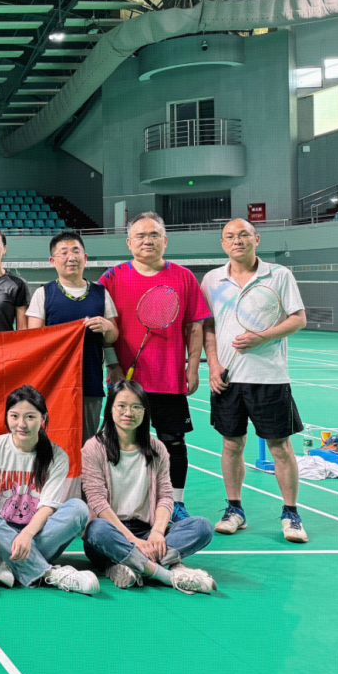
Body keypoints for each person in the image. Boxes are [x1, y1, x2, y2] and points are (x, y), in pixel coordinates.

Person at [201, 219, 309, 543]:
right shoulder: (211, 280)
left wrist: (263, 337)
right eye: (230, 236)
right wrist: (213, 365)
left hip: (269, 378)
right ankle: (234, 510)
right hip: (228, 379)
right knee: (231, 444)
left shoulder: (279, 275)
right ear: (223, 244)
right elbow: (208, 326)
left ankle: (291, 514)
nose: (237, 240)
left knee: (280, 447)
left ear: (256, 239)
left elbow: (298, 319)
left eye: (244, 235)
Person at [100, 212, 210, 521]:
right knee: (122, 444)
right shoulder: (112, 277)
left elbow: (195, 326)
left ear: (165, 240)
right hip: (126, 381)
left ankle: (175, 503)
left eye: (154, 235)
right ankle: (122, 504)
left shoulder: (184, 277)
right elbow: (103, 326)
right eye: (140, 236)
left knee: (173, 442)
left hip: (169, 378)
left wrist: (192, 368)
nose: (147, 241)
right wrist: (112, 365)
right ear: (129, 242)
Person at [81, 381, 216, 593]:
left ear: (145, 411)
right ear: (110, 409)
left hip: (147, 531)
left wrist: (157, 533)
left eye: (136, 407)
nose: (129, 412)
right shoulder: (94, 448)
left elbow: (165, 496)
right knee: (96, 530)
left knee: (202, 526)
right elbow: (97, 501)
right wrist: (131, 539)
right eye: (121, 406)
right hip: (112, 532)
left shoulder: (157, 448)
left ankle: (128, 565)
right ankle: (166, 573)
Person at [0, 385, 98, 594]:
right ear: (7, 416)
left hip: (38, 534)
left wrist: (27, 534)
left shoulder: (56, 456)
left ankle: (6, 564)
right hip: (0, 532)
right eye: (14, 416)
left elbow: (47, 508)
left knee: (78, 508)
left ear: (43, 418)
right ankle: (49, 573)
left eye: (30, 417)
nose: (21, 424)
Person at [26, 230, 119, 441]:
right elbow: (33, 341)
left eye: (76, 251)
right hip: (54, 385)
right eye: (64, 252)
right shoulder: (43, 294)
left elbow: (112, 337)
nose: (71, 257)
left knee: (87, 445)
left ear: (85, 258)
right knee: (52, 444)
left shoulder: (101, 293)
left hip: (90, 384)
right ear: (52, 261)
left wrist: (107, 326)